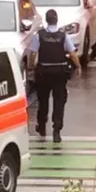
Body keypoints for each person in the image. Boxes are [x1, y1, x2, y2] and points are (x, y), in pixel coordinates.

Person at [27, 8, 79, 143]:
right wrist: (78, 66)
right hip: (59, 73)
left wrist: (31, 67)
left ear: (46, 20)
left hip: (43, 73)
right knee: (59, 102)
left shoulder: (39, 35)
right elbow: (72, 54)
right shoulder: (64, 36)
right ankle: (56, 131)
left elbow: (32, 53)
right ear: (56, 20)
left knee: (42, 101)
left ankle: (42, 127)